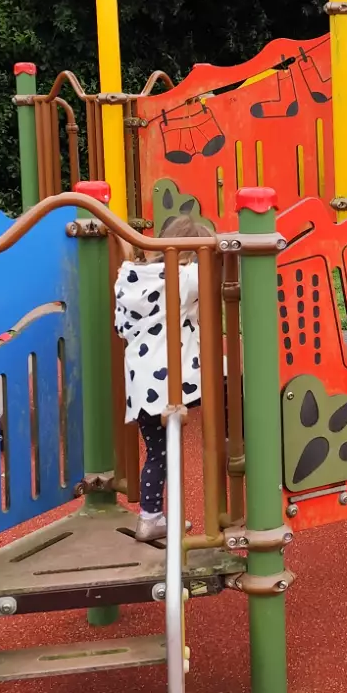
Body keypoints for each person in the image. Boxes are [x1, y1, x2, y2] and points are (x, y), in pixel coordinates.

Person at [113, 211, 214, 543]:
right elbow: (209, 275)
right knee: (162, 452)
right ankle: (150, 517)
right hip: (171, 382)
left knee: (157, 449)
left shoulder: (131, 277)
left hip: (141, 382)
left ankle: (152, 514)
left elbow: (120, 327)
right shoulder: (184, 277)